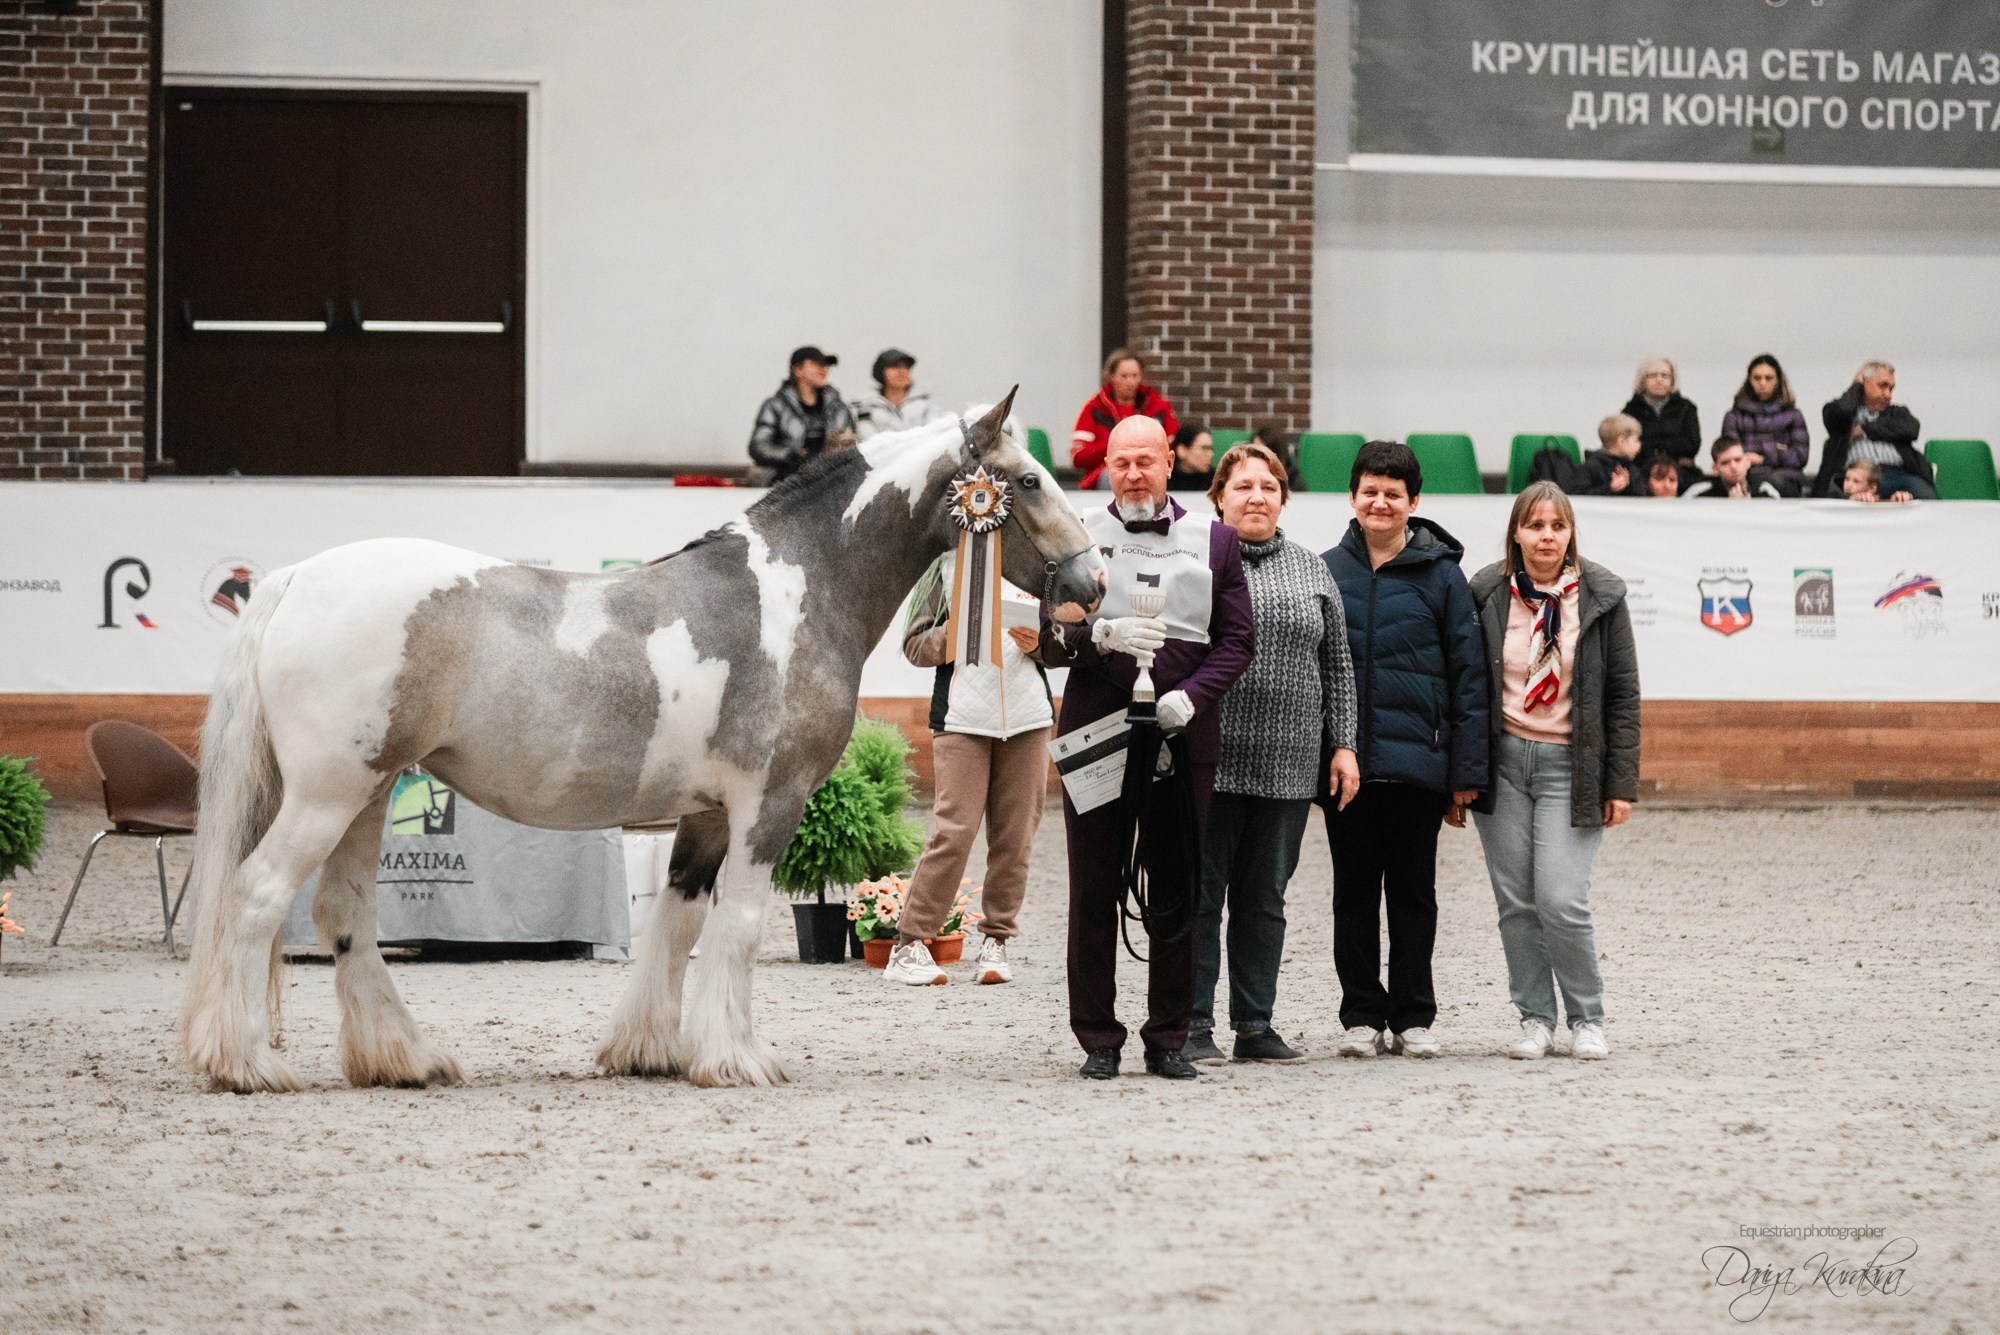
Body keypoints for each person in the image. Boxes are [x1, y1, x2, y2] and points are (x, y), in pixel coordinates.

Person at [1040, 414, 1254, 1081]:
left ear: (1169, 460)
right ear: (1105, 464)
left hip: (1181, 733)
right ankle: (1097, 1036)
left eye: (1146, 460)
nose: (1133, 473)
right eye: (1121, 461)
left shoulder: (1216, 540)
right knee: (1093, 884)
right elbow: (1043, 640)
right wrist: (1093, 639)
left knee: (1178, 882)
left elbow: (1238, 639)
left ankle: (1168, 1035)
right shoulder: (1072, 536)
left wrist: (1193, 694)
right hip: (1096, 729)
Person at [1185, 443, 1358, 1065]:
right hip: (1208, 761)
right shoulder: (1194, 561)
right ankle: (1194, 1023)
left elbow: (1337, 666)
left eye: (1268, 486)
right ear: (1219, 497)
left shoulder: (1313, 570)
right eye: (1243, 486)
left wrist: (1344, 746)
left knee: (1264, 903)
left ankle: (1254, 1025)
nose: (1256, 496)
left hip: (1288, 768)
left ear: (1283, 497)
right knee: (1201, 898)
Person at [1321, 441, 1488, 1060]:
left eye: (1395, 493)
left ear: (1414, 502)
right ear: (1353, 496)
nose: (1381, 501)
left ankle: (1414, 1014)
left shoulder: (1444, 577)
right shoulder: (1326, 571)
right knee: (1353, 895)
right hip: (1348, 770)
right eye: (1371, 490)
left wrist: (1464, 773)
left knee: (1415, 897)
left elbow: (1470, 679)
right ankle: (1361, 1014)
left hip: (1421, 768)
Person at [1467, 481, 1640, 1061]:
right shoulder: (1487, 591)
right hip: (1505, 762)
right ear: (1516, 532)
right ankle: (1535, 1017)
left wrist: (1621, 782)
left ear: (1571, 534)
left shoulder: (1603, 596)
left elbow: (1622, 697)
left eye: (1557, 526)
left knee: (1562, 900)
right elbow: (1467, 688)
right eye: (1535, 525)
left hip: (1573, 765)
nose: (1546, 536)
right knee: (1516, 902)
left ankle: (1586, 1017)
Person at [883, 557, 1052, 986]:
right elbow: (915, 646)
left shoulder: (1039, 560)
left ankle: (996, 942)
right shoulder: (940, 565)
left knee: (1016, 836)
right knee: (954, 832)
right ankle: (910, 945)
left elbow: (1067, 640)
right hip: (961, 719)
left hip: (1029, 718)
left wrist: (1040, 645)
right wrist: (956, 631)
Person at [1815, 362, 1934, 499]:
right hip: (1856, 476)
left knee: (1929, 499)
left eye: (1891, 388)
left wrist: (1865, 429)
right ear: (1864, 383)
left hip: (1897, 475)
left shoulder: (1897, 413)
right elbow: (1843, 410)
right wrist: (1857, 386)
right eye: (1882, 386)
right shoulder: (1840, 413)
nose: (1888, 394)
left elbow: (1912, 429)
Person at [1070, 348, 1180, 489]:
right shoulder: (1095, 408)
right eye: (1124, 376)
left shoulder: (1158, 406)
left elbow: (1175, 446)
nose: (1130, 382)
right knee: (1111, 476)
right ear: (1112, 377)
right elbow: (1078, 457)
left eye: (1135, 376)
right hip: (1105, 478)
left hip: (1151, 471)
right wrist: (1117, 447)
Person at [748, 345, 857, 483]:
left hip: (828, 481)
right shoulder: (776, 406)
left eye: (825, 365)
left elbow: (851, 446)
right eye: (816, 364)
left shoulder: (838, 409)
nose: (823, 370)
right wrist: (792, 455)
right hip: (785, 480)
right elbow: (758, 446)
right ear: (798, 370)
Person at [1719, 354, 1811, 494]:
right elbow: (1731, 453)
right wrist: (1778, 449)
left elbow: (1800, 456)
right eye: (1757, 378)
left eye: (1768, 378)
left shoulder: (1793, 415)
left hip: (1786, 482)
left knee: (1773, 483)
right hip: (1746, 479)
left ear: (1777, 380)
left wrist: (1762, 457)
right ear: (1749, 380)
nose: (1763, 383)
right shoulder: (1734, 416)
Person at [1621, 357, 1701, 475]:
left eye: (1665, 376)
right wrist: (1670, 445)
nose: (1659, 380)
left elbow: (1691, 445)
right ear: (1643, 380)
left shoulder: (1686, 408)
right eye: (1653, 375)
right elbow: (1627, 448)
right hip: (1641, 472)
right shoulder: (1630, 411)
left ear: (1672, 381)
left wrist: (1650, 444)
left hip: (1680, 473)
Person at [1534, 415, 1643, 496]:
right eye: (1636, 440)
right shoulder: (1592, 466)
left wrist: (1629, 485)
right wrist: (1609, 488)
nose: (1639, 445)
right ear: (1622, 441)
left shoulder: (1631, 468)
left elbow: (1641, 497)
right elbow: (1577, 494)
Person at [851, 348, 944, 440]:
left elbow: (934, 434)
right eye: (894, 366)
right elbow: (868, 438)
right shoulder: (863, 406)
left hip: (921, 453)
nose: (902, 372)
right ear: (881, 372)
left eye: (906, 367)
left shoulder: (927, 404)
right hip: (880, 453)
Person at [1683, 436, 1785, 499]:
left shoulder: (1764, 490)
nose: (1733, 467)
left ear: (1747, 462)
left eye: (1738, 460)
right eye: (1725, 463)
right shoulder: (1698, 493)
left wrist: (1745, 507)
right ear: (1715, 468)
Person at [1249, 425, 1304, 491]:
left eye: (1266, 452)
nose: (1260, 456)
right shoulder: (1245, 475)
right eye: (1256, 451)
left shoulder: (1291, 477)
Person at [1842, 458, 1914, 504]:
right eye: (1847, 479)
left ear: (1871, 488)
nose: (1848, 485)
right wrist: (1850, 501)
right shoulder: (1834, 494)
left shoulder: (1879, 503)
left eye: (1856, 481)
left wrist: (1899, 501)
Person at [1168, 425, 1214, 492]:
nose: (1211, 454)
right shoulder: (1163, 480)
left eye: (1211, 449)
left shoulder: (1217, 481)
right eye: (1204, 448)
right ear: (1181, 451)